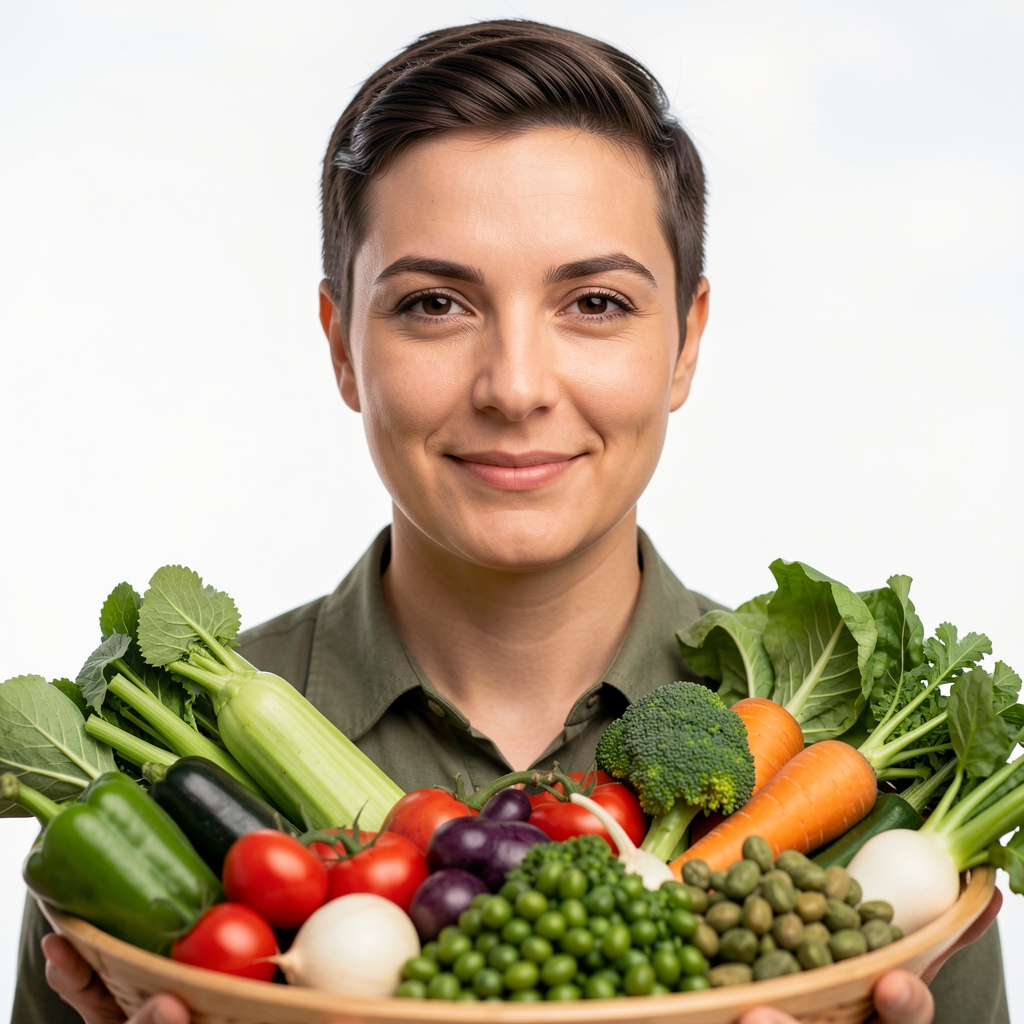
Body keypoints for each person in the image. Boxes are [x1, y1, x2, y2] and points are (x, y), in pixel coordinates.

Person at [12, 19, 1008, 1024]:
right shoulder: (144, 802)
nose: (516, 387)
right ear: (341, 347)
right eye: (437, 303)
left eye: (595, 302)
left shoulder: (879, 813)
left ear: (686, 343)